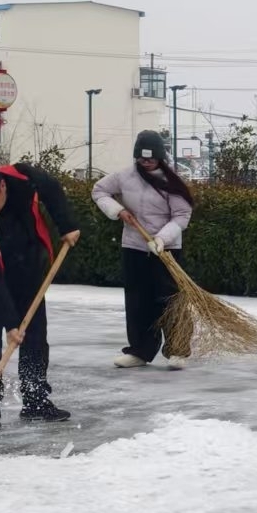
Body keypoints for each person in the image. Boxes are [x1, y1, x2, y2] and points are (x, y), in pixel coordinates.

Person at [0, 162, 81, 433]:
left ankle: (36, 401)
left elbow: (51, 188)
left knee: (35, 335)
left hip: (27, 268)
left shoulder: (22, 178)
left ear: (2, 186)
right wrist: (10, 323)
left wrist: (67, 224)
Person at [93, 130, 195, 369]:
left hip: (166, 249)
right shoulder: (125, 176)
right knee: (138, 301)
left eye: (151, 157)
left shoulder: (170, 182)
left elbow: (182, 215)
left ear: (160, 156)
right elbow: (99, 190)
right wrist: (117, 210)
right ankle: (139, 350)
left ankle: (177, 350)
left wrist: (161, 238)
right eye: (141, 157)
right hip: (135, 246)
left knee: (170, 300)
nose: (146, 162)